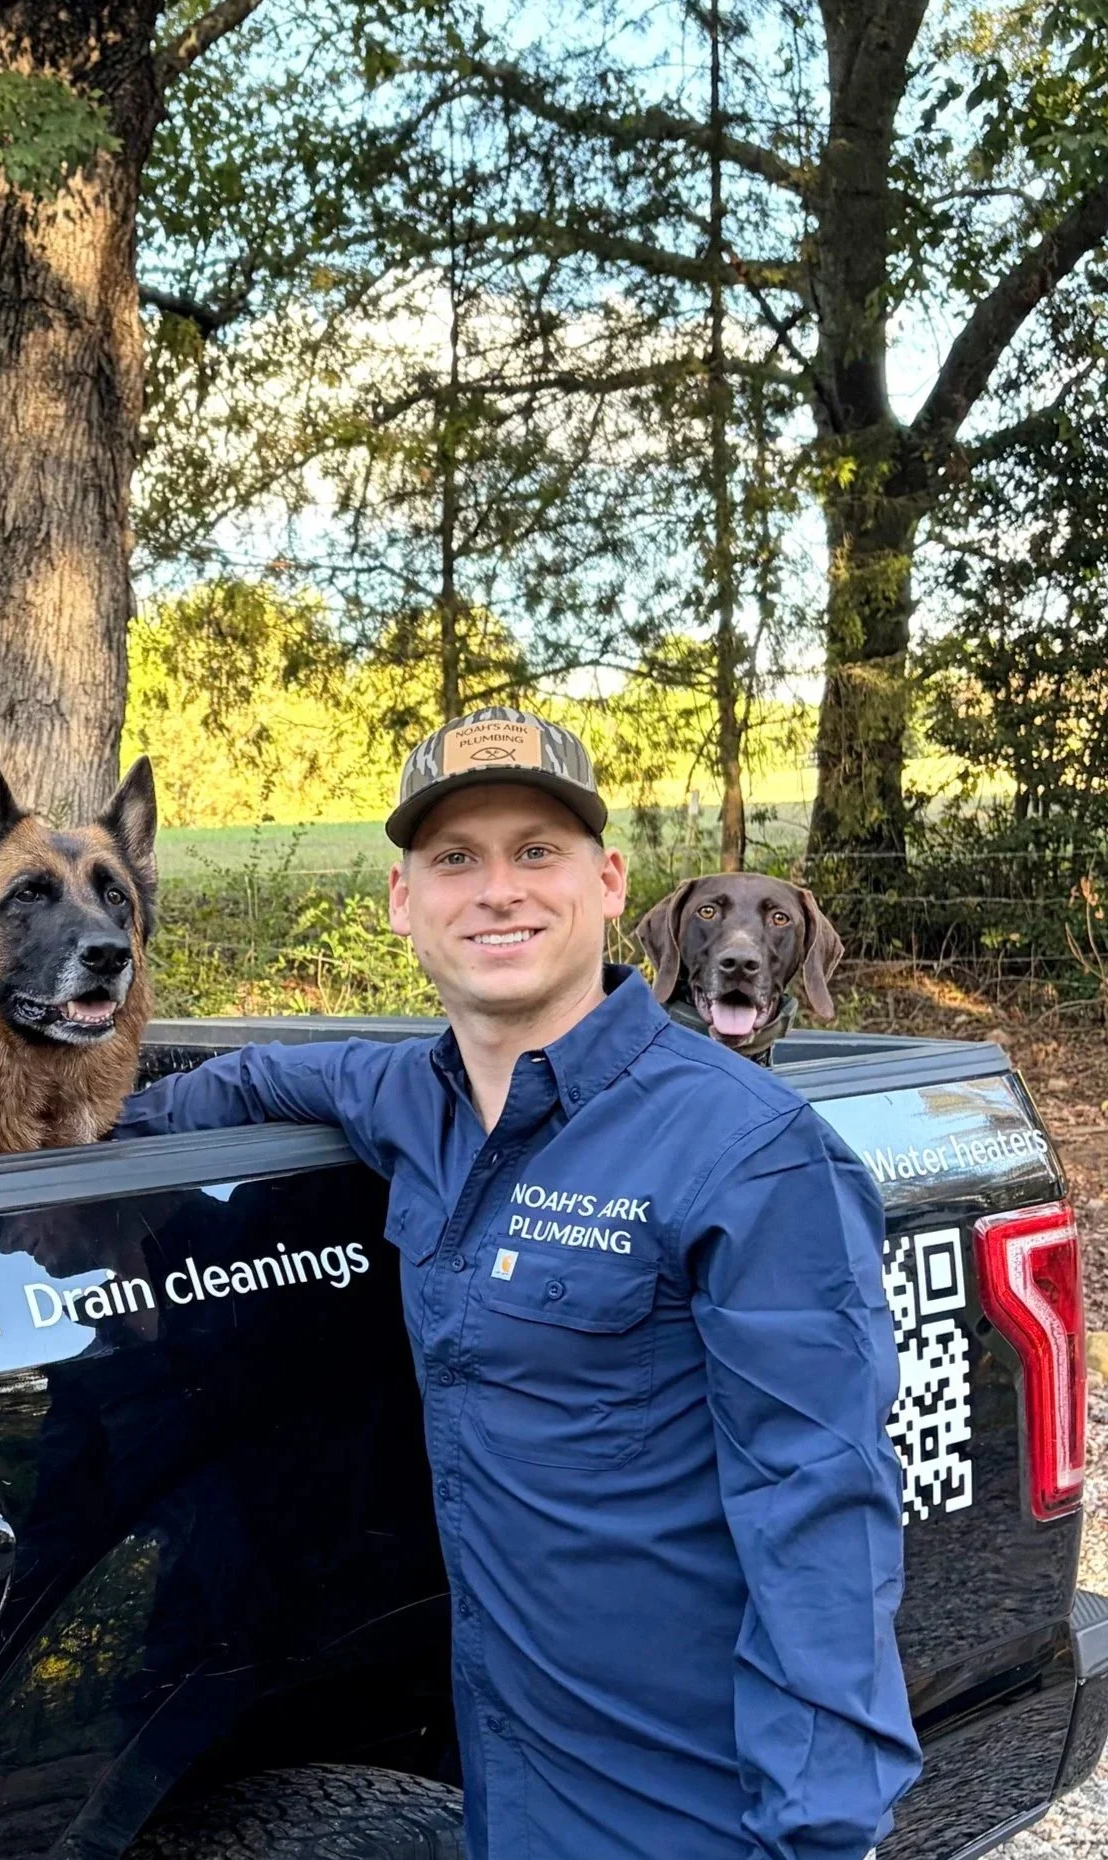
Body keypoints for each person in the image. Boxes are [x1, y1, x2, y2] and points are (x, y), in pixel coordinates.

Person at [115, 706, 919, 1860]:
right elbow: (233, 1085)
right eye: (455, 857)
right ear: (404, 902)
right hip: (508, 1789)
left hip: (692, 1811)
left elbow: (822, 1514)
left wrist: (823, 1832)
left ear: (607, 883)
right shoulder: (406, 1097)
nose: (499, 889)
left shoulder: (749, 1149)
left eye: (536, 851)